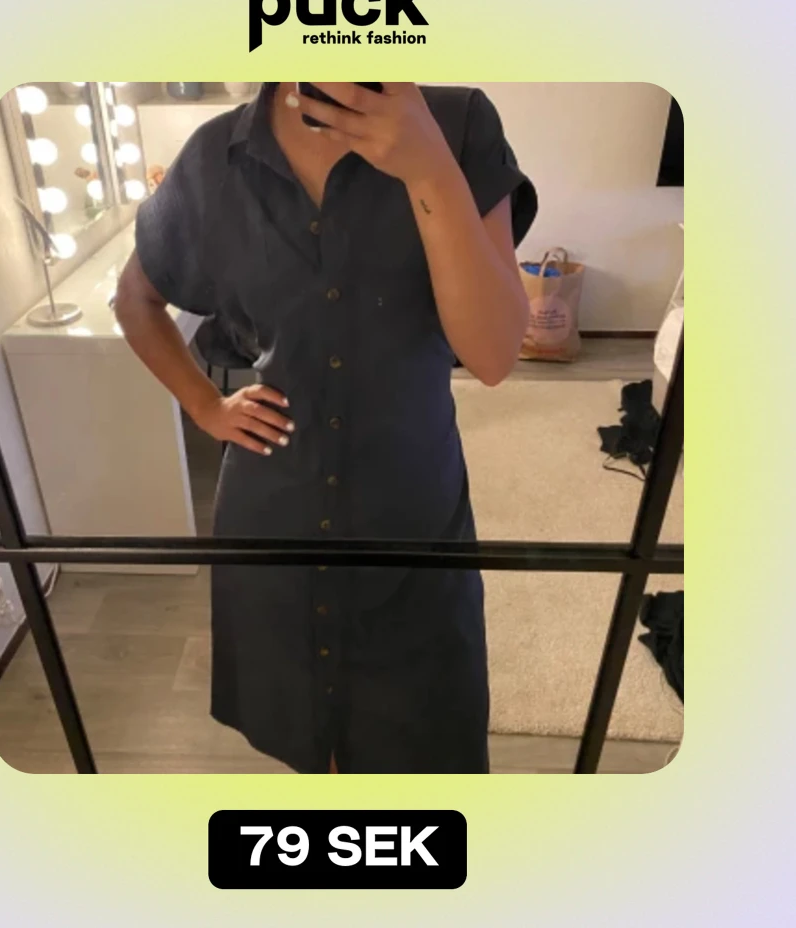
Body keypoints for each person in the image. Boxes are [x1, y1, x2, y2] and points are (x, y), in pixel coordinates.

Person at [115, 82, 538, 773]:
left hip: (412, 518)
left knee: (428, 744)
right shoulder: (215, 157)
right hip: (273, 515)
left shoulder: (456, 124)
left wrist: (429, 168)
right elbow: (136, 299)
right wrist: (206, 407)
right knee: (314, 742)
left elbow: (493, 356)